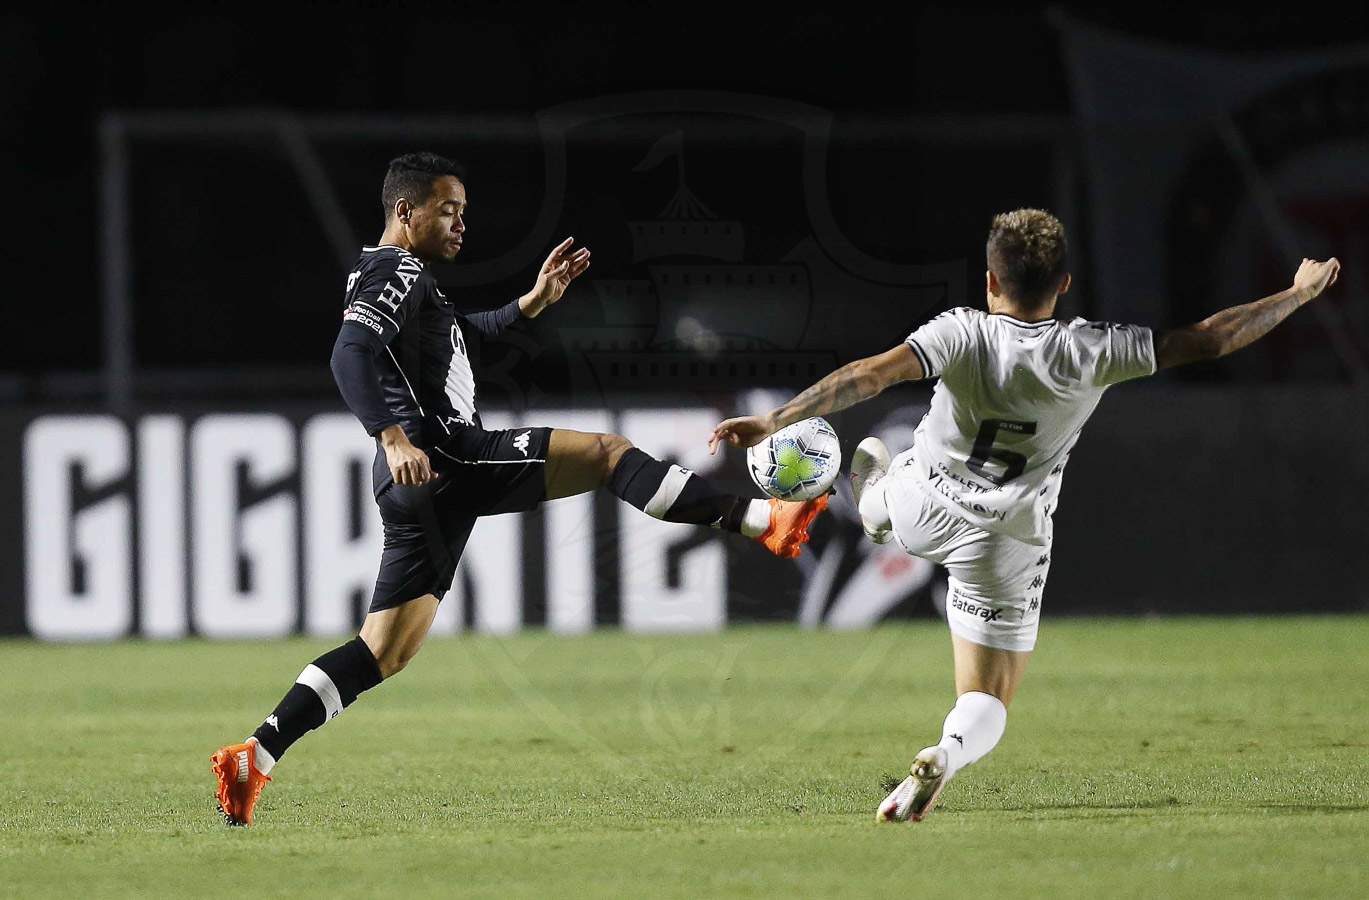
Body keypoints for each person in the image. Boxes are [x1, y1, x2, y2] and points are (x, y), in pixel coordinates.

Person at [209, 152, 828, 826]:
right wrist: (392, 434)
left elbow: (453, 342)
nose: (460, 224)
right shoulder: (397, 268)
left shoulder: (401, 279)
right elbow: (346, 352)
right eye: (448, 211)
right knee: (607, 453)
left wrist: (527, 306)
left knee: (382, 651)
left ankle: (255, 756)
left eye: (464, 212)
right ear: (405, 212)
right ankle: (764, 519)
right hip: (445, 454)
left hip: (416, 479)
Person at [708, 208, 1340, 823]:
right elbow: (1211, 337)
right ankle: (945, 755)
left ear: (989, 282)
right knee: (986, 697)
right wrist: (1295, 292)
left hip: (924, 502)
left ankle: (874, 506)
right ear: (1063, 284)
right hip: (1003, 538)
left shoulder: (960, 331)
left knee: (880, 463)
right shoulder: (1092, 349)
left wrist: (775, 419)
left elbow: (869, 377)